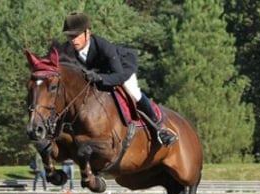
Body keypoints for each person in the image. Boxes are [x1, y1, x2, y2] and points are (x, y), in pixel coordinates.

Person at [59, 11, 178, 147]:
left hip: (120, 69)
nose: (73, 40)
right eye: (69, 36)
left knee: (133, 92)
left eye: (76, 35)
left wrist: (99, 77)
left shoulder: (104, 47)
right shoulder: (67, 50)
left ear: (87, 33)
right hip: (95, 76)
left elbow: (119, 76)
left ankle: (159, 128)